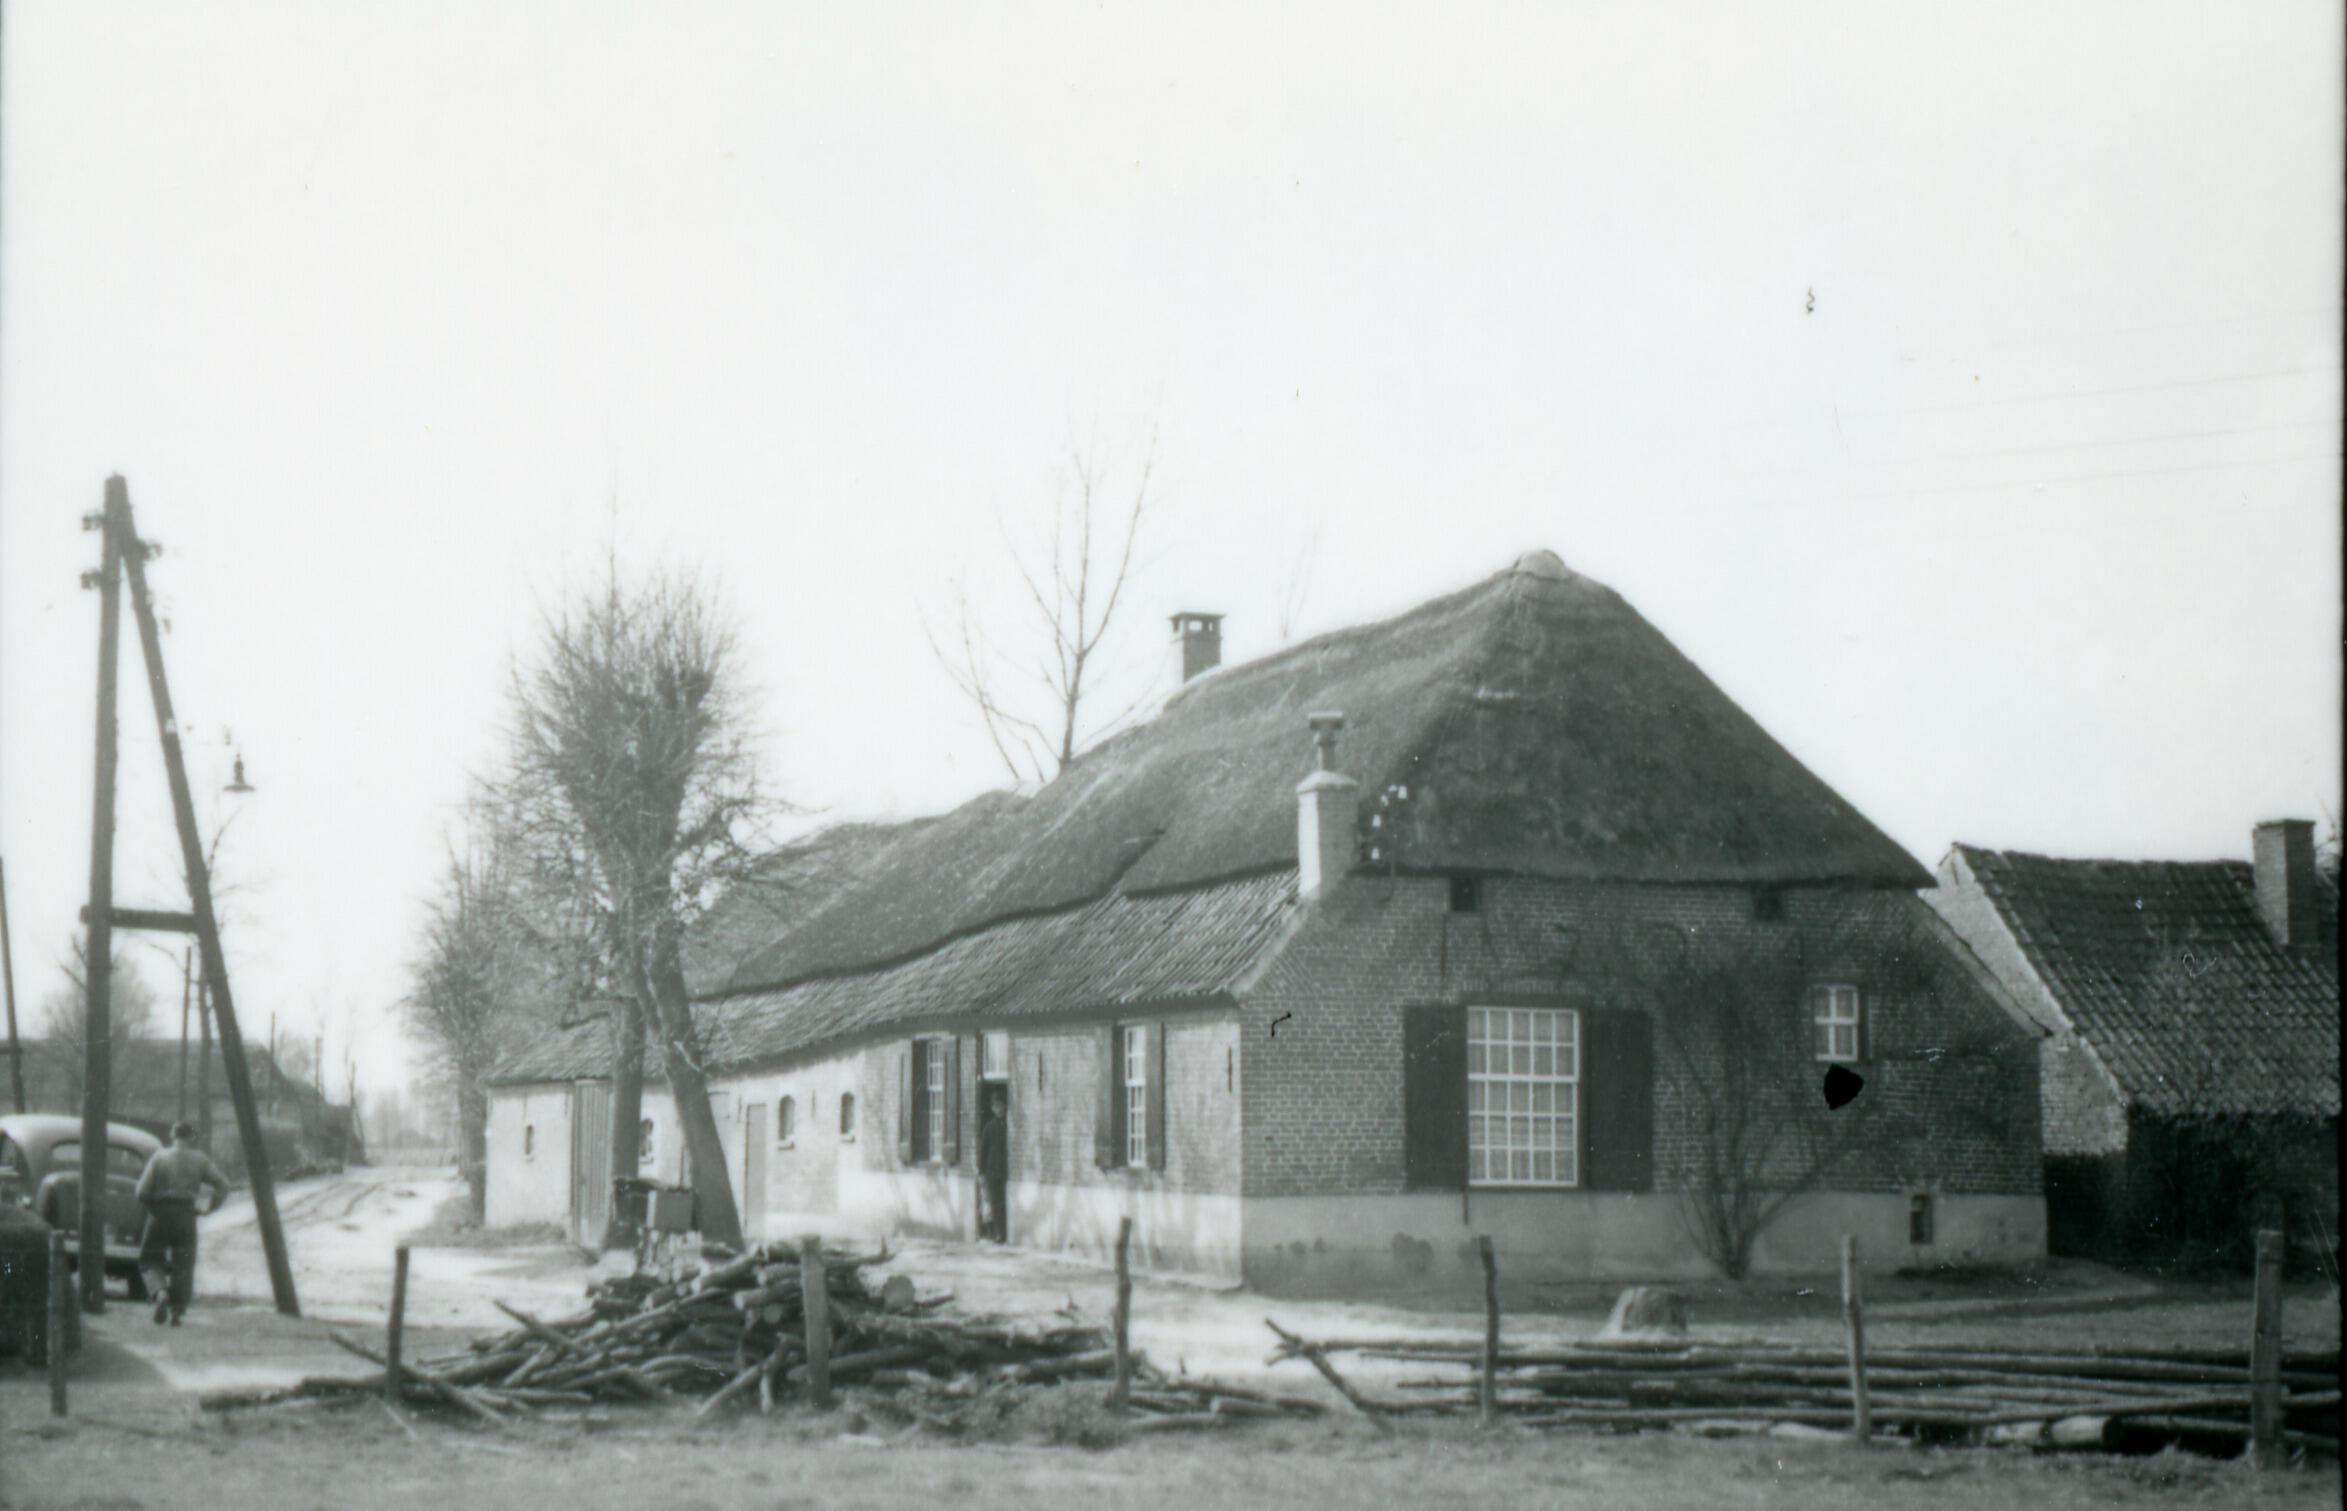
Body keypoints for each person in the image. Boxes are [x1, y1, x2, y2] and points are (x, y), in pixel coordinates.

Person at [133, 1122, 231, 1325]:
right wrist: (211, 1207)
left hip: (160, 1213)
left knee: (149, 1259)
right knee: (184, 1263)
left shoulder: (160, 1157)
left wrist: (154, 1206)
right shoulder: (200, 1160)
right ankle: (177, 1311)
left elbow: (141, 1191)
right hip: (186, 1214)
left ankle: (160, 1292)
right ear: (192, 1138)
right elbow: (223, 1185)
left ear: (172, 1135)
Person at [977, 1087, 1009, 1243]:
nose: (999, 1109)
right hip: (991, 1171)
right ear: (993, 1109)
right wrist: (981, 1171)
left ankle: (1001, 1233)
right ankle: (997, 1234)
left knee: (1002, 1203)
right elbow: (982, 1151)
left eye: (1001, 1106)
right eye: (996, 1106)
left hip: (1003, 1171)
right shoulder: (989, 1128)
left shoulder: (1008, 1127)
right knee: (993, 1203)